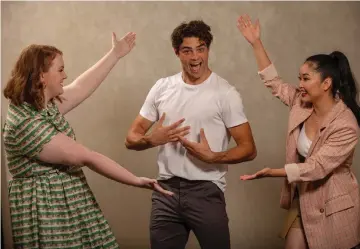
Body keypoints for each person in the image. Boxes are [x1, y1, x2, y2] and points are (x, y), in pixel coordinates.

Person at [3, 31, 172, 249]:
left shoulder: (42, 104)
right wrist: (136, 180)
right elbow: (87, 157)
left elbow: (81, 87)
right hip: (49, 212)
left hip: (67, 202)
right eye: (60, 69)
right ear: (41, 77)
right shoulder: (26, 123)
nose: (65, 75)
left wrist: (115, 54)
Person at [125, 20, 257, 249]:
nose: (196, 57)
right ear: (177, 52)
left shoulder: (225, 93)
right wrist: (150, 140)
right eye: (187, 50)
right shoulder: (162, 87)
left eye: (201, 48)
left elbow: (249, 149)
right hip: (165, 191)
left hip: (206, 191)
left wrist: (213, 157)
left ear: (208, 50)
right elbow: (131, 138)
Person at [237, 14, 360, 249]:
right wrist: (256, 43)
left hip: (333, 204)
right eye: (299, 78)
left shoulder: (346, 125)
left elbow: (317, 167)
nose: (300, 84)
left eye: (306, 78)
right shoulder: (300, 103)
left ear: (326, 84)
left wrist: (273, 172)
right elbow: (274, 82)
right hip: (304, 197)